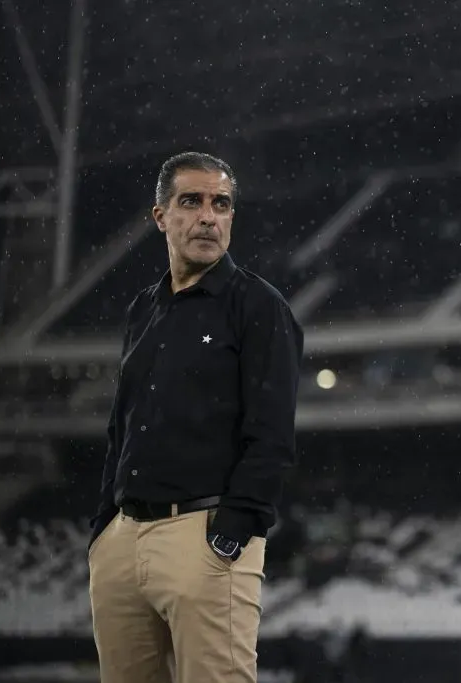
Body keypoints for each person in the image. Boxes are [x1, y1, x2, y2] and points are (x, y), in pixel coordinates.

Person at [87, 151, 304, 683]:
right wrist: (102, 530)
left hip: (205, 535)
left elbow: (272, 433)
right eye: (192, 201)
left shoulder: (257, 305)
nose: (209, 216)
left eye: (221, 204)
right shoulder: (144, 308)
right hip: (123, 541)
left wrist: (232, 531)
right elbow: (123, 428)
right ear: (161, 216)